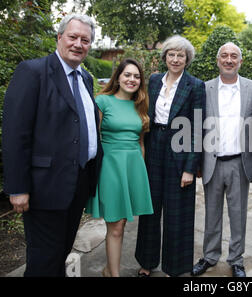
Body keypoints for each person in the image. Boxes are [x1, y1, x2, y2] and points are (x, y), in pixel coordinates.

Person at [1, 14, 102, 277]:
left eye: (85, 40)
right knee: (43, 261)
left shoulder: (86, 78)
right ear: (59, 37)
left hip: (78, 182)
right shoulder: (33, 72)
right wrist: (18, 188)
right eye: (73, 37)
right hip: (44, 186)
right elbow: (15, 134)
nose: (78, 44)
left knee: (61, 253)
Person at [135, 35, 205, 277]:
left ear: (187, 59)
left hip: (180, 150)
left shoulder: (195, 85)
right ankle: (146, 261)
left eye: (181, 55)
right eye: (171, 54)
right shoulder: (153, 81)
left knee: (177, 214)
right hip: (154, 146)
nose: (176, 59)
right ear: (164, 57)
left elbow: (197, 128)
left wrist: (189, 168)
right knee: (150, 210)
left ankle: (174, 268)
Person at [191, 42, 252, 277]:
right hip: (212, 161)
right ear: (217, 60)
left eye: (234, 56)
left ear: (240, 61)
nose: (229, 60)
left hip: (240, 162)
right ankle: (209, 256)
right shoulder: (204, 88)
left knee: (238, 213)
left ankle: (236, 259)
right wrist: (196, 162)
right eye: (224, 56)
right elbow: (197, 126)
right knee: (211, 213)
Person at [85, 58, 154, 277]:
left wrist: (140, 174)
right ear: (118, 77)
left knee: (122, 223)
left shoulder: (140, 105)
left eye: (136, 76)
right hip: (110, 167)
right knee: (115, 224)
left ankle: (109, 269)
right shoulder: (102, 102)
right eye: (127, 75)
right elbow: (92, 139)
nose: (132, 80)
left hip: (133, 167)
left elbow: (141, 142)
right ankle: (113, 274)